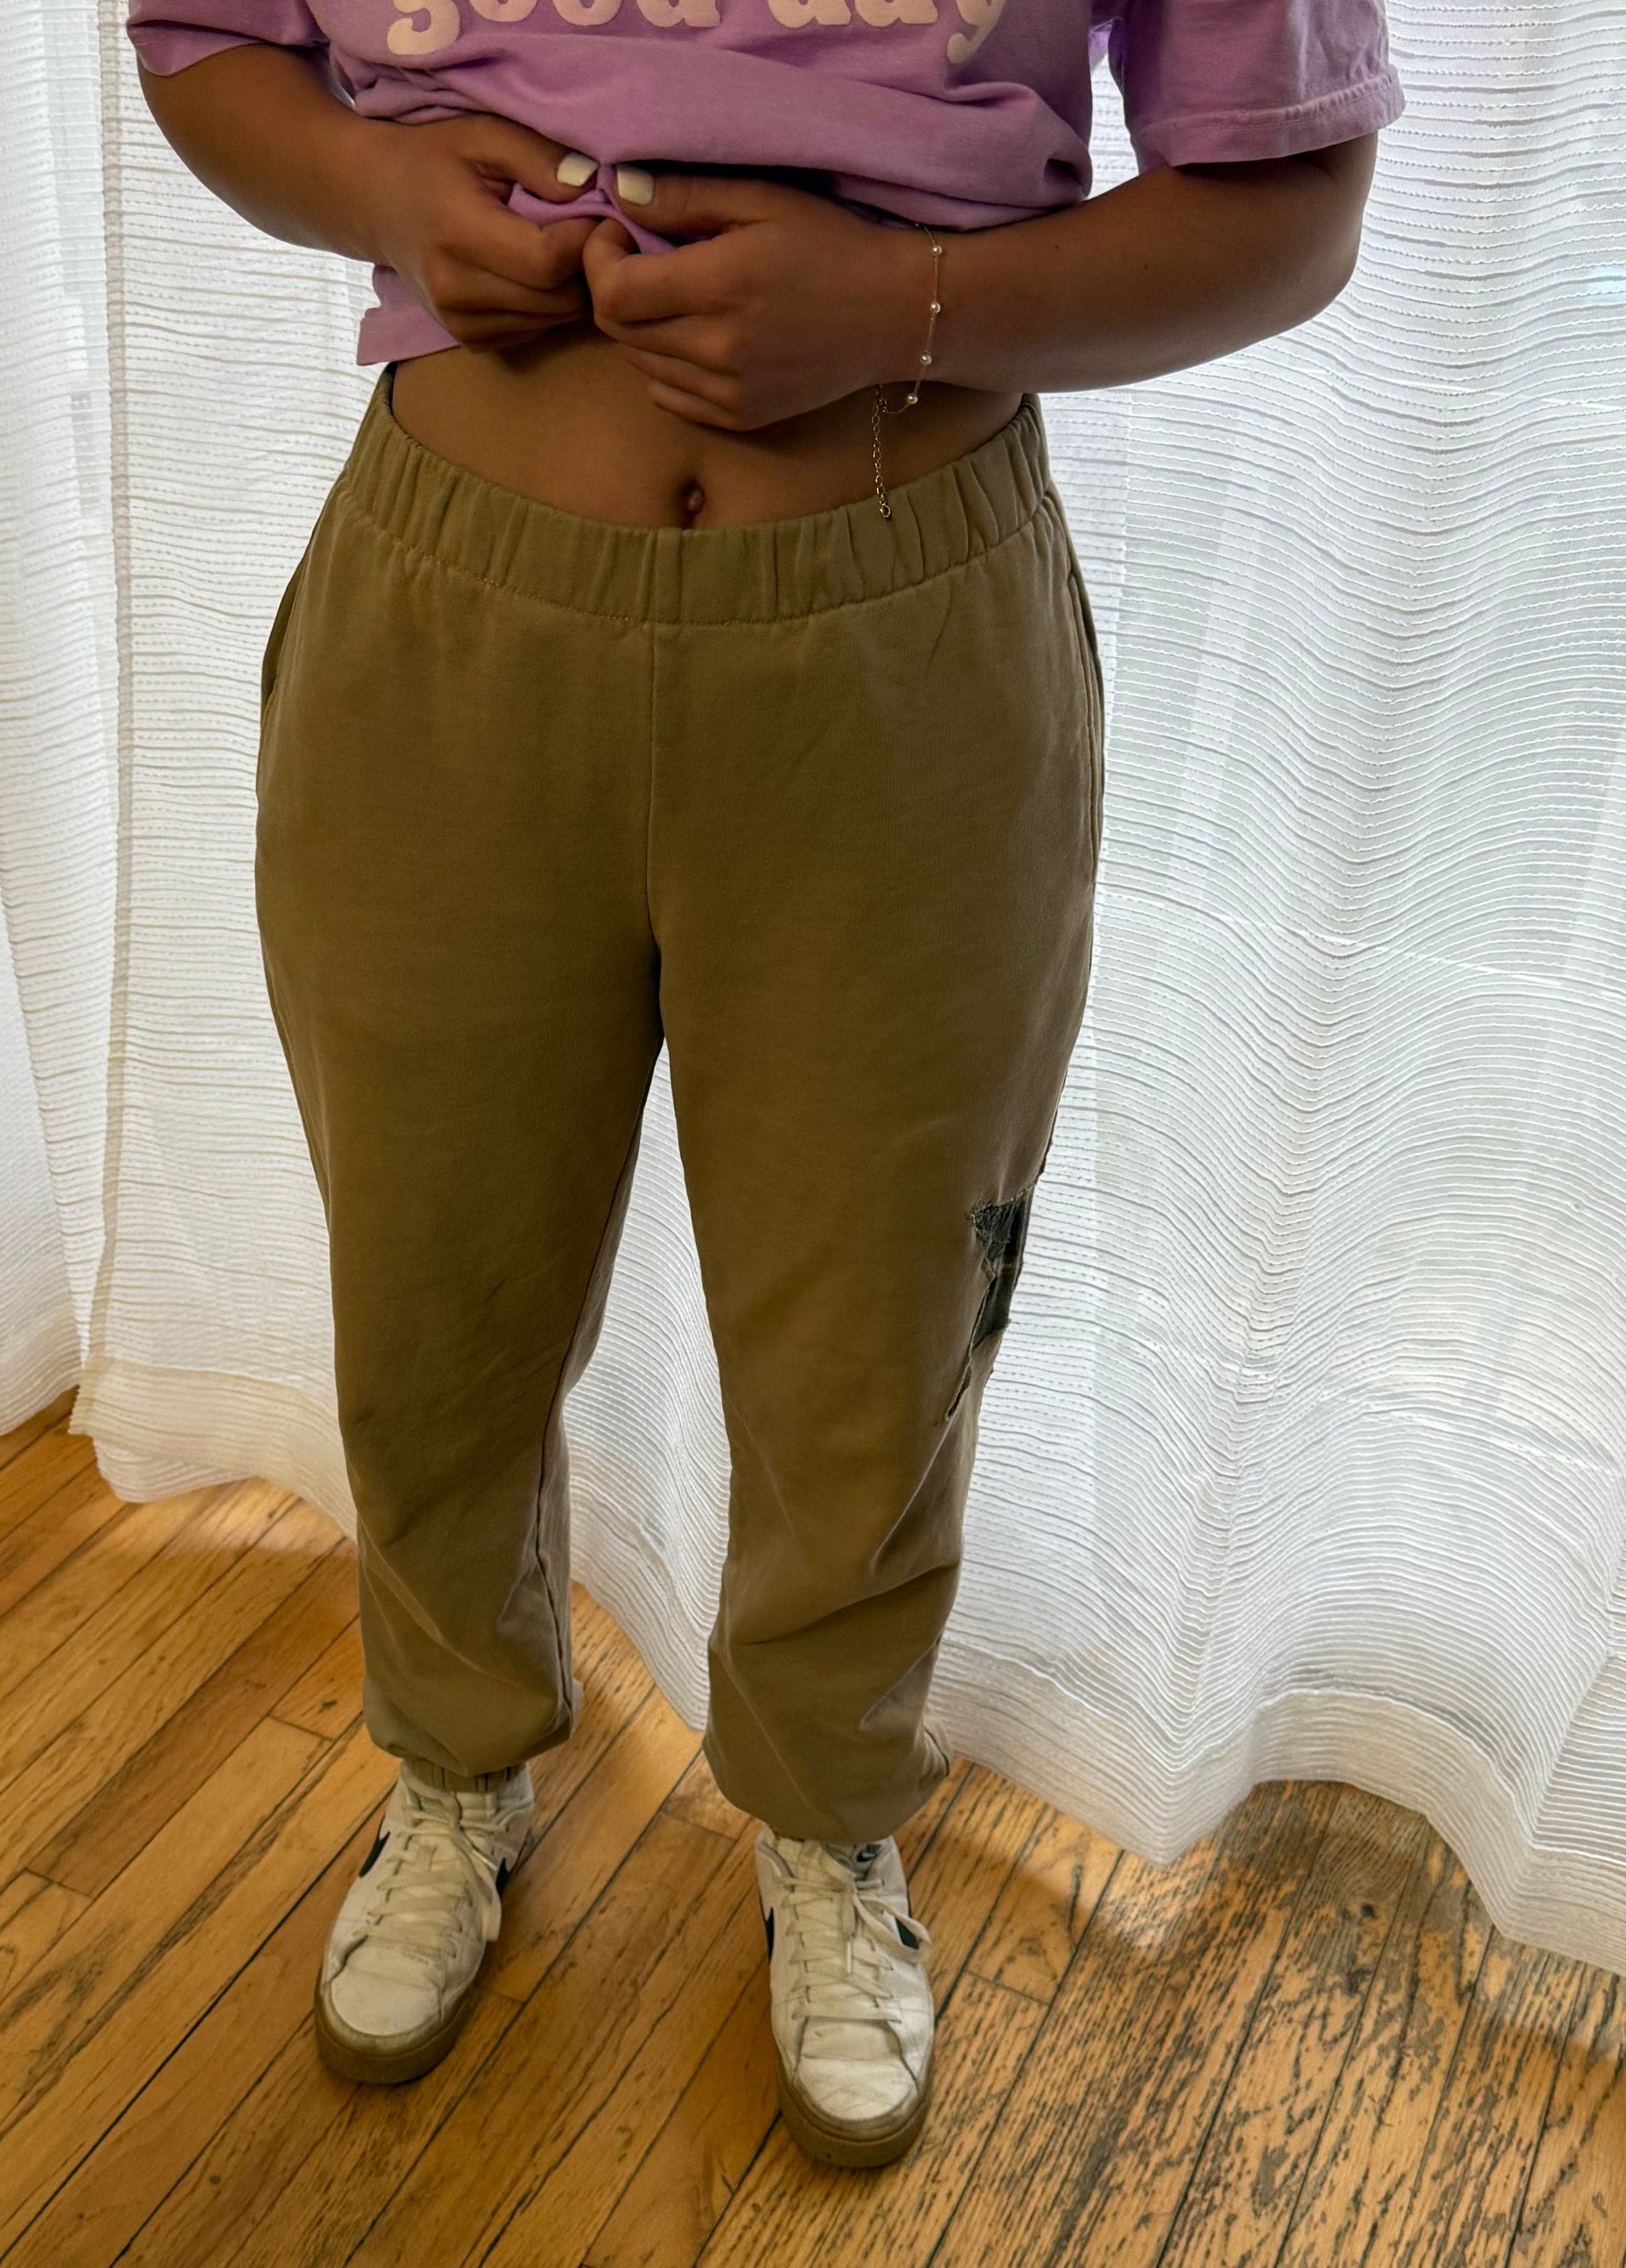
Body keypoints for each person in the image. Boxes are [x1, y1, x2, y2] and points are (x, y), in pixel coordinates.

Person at [127, 0, 1404, 2170]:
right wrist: (376, 188)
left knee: (875, 1328)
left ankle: (829, 1814)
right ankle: (451, 1763)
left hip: (901, 637)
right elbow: (206, 41)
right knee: (431, 1286)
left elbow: (1291, 198)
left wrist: (904, 306)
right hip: (449, 612)